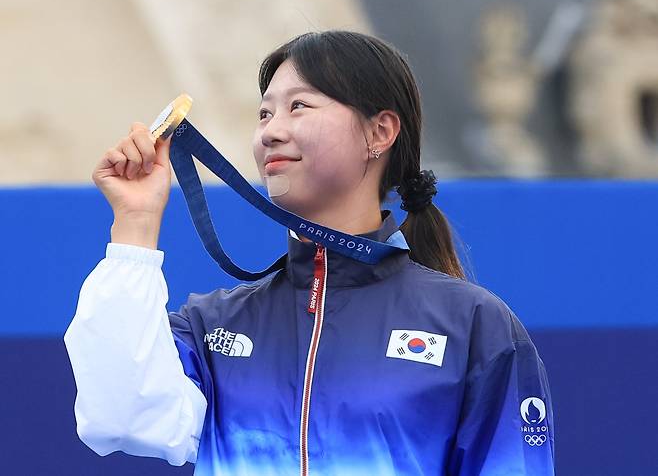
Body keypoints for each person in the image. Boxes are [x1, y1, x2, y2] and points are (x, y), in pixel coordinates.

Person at [64, 30, 555, 475]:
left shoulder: (471, 325)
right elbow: (118, 417)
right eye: (264, 113)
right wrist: (135, 223)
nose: (271, 131)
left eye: (299, 106)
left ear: (379, 133)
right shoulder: (212, 327)